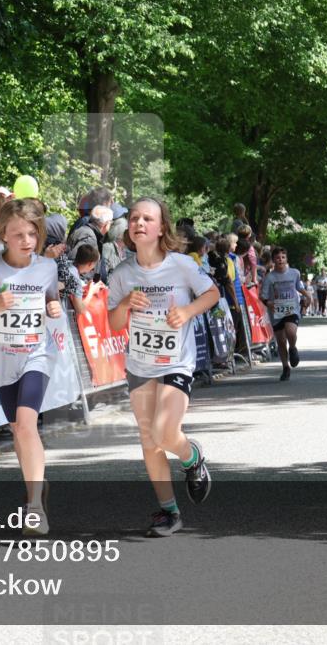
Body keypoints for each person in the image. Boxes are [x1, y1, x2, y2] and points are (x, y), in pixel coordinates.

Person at [107, 198, 219, 538]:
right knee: (148, 439)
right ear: (130, 229)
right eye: (135, 218)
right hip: (140, 364)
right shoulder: (122, 274)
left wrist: (186, 313)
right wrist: (126, 304)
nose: (140, 223)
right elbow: (113, 324)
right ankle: (169, 513)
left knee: (164, 432)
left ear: (160, 229)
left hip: (176, 362)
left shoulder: (182, 265)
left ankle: (192, 456)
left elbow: (211, 293)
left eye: (148, 218)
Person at [0, 199, 62, 535]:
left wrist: (53, 309)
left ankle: (35, 508)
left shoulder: (47, 267)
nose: (26, 241)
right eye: (18, 234)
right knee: (18, 431)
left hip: (38, 353)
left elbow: (53, 299)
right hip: (5, 360)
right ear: (3, 233)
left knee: (25, 423)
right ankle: (36, 487)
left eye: (32, 234)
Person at [260, 247, 308, 382]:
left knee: (291, 332)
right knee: (281, 341)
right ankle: (285, 367)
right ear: (273, 260)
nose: (280, 260)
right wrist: (269, 303)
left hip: (291, 308)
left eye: (283, 257)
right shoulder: (269, 277)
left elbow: (299, 287)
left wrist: (307, 295)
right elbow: (262, 296)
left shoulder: (294, 273)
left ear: (286, 259)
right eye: (277, 258)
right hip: (276, 311)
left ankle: (293, 348)